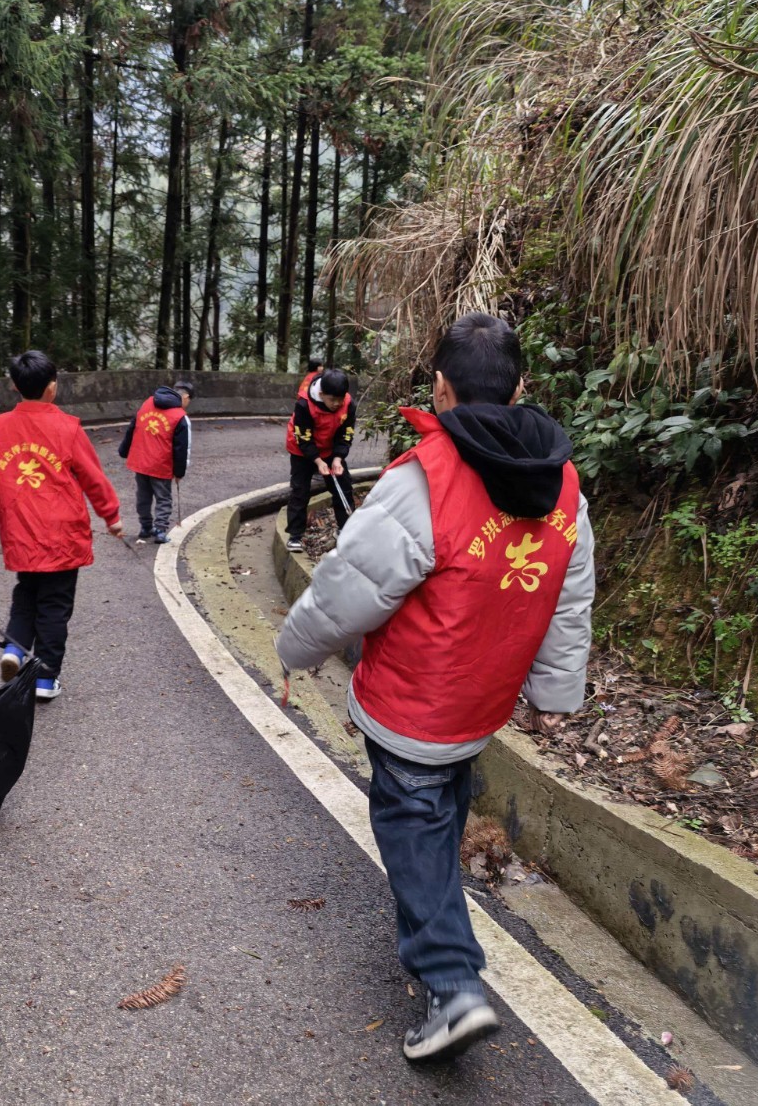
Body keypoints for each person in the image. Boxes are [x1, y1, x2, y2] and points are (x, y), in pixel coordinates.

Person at [276, 312, 594, 1063]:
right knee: (441, 809)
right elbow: (569, 596)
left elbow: (348, 588)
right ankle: (438, 928)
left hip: (412, 704)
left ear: (441, 388)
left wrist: (295, 648)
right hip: (482, 703)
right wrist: (554, 695)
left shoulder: (425, 479)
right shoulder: (564, 486)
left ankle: (452, 984)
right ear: (520, 386)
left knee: (412, 826)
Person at [0, 351, 124, 703]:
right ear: (52, 387)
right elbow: (93, 477)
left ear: (14, 385)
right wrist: (111, 516)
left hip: (20, 531)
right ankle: (44, 678)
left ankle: (14, 647)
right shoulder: (67, 427)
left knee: (26, 594)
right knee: (55, 606)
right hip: (62, 536)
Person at [285, 367, 357, 552]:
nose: (337, 404)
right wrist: (317, 461)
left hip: (330, 448)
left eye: (340, 399)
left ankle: (346, 529)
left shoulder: (348, 404)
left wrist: (338, 458)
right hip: (302, 449)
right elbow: (303, 437)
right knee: (300, 491)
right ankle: (295, 535)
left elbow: (346, 433)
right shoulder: (304, 404)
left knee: (343, 486)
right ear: (322, 394)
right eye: (332, 399)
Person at [118, 380, 192, 543]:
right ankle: (160, 530)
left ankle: (145, 527)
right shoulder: (179, 416)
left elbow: (133, 427)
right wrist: (179, 472)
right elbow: (181, 448)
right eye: (189, 401)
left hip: (141, 460)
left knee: (143, 496)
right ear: (185, 397)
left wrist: (124, 450)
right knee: (163, 498)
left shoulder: (148, 403)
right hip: (161, 464)